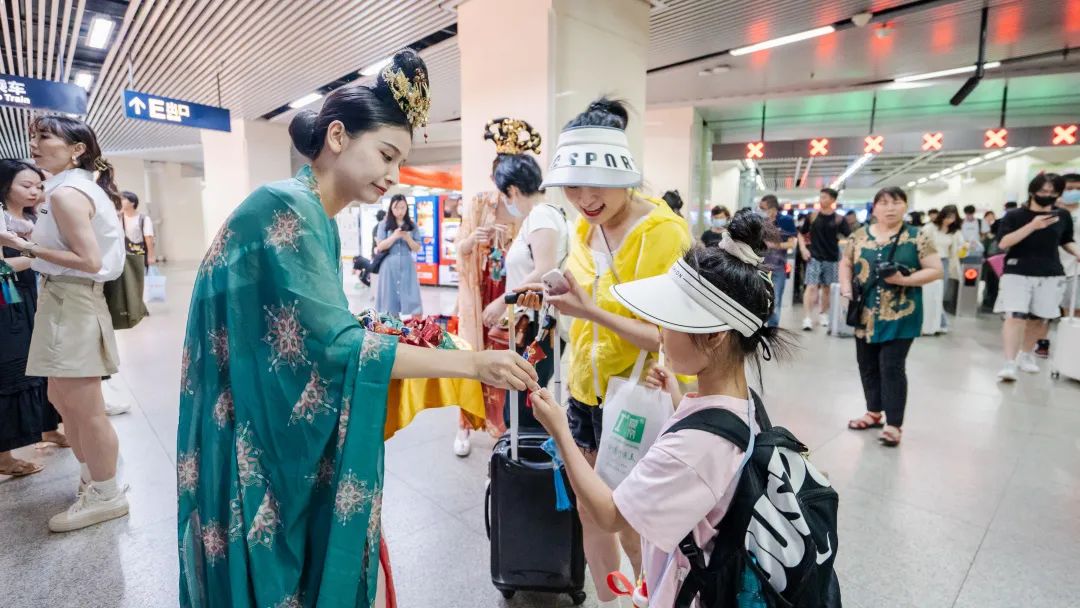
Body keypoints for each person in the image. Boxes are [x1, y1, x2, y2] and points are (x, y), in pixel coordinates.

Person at [175, 50, 539, 608]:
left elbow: (307, 331)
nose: (394, 176)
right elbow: (335, 347)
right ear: (338, 136)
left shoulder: (312, 213)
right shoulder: (286, 208)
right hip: (247, 424)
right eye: (387, 155)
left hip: (253, 409)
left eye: (400, 161)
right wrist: (470, 362)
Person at [529, 210, 791, 608]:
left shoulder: (693, 450)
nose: (660, 333)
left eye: (670, 322)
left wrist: (559, 430)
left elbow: (609, 514)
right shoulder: (742, 404)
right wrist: (674, 394)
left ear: (715, 337)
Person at [519, 97, 690, 606]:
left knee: (633, 523)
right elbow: (582, 300)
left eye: (597, 185)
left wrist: (589, 311)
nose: (585, 199)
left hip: (637, 398)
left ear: (624, 173)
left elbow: (668, 339)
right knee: (590, 511)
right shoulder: (582, 227)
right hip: (584, 394)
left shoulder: (664, 234)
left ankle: (649, 600)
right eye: (573, 186)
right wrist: (556, 295)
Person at [0, 116, 127, 531]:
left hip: (73, 301)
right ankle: (93, 478)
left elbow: (88, 261)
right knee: (62, 397)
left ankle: (107, 492)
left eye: (45, 136)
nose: (34, 144)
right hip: (61, 298)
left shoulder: (68, 194)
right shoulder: (64, 189)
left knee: (85, 407)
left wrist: (23, 245)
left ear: (77, 149)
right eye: (33, 136)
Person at [472, 117, 568, 447]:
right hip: (537, 326)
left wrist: (503, 301)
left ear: (512, 190)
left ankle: (523, 464)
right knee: (523, 400)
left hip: (539, 328)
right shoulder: (545, 215)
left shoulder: (541, 215)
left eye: (505, 195)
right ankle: (520, 459)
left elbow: (544, 268)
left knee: (523, 405)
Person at [841, 187, 942, 447]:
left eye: (896, 202)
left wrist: (904, 280)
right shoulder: (859, 235)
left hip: (901, 314)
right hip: (864, 314)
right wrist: (846, 289)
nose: (890, 208)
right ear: (874, 208)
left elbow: (935, 270)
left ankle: (894, 425)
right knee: (867, 365)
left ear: (905, 206)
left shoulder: (917, 237)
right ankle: (873, 412)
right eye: (884, 203)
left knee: (892, 366)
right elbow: (846, 263)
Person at [452, 131, 526, 456]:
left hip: (509, 296)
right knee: (472, 357)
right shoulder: (481, 202)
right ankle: (465, 424)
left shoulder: (525, 208)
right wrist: (474, 240)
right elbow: (460, 247)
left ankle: (501, 430)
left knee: (504, 361)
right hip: (480, 291)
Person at [0, 160, 68, 477]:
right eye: (26, 185)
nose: (34, 191)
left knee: (39, 365)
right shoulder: (2, 218)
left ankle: (47, 429)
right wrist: (39, 254)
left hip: (29, 298)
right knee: (12, 372)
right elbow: (2, 268)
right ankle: (4, 456)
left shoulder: (30, 219)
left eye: (38, 186)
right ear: (5, 186)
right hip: (7, 300)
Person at [994, 174, 1080, 381]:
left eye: (1052, 192)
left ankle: (1026, 354)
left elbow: (1066, 240)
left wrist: (1077, 252)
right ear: (1032, 191)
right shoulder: (1014, 215)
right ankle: (1009, 362)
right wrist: (1033, 225)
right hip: (1017, 271)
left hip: (1050, 272)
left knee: (1039, 319)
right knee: (1015, 316)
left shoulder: (1062, 216)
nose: (1047, 195)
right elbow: (1004, 243)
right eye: (1043, 191)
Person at [799, 188, 852, 331]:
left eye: (824, 197)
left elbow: (850, 237)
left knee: (827, 288)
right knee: (811, 286)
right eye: (820, 197)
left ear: (833, 200)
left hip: (832, 258)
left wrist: (847, 254)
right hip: (814, 257)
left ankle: (823, 313)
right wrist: (803, 249)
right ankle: (807, 317)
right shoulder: (812, 216)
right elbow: (801, 234)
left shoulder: (839, 219)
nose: (821, 200)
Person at [374, 194, 423, 317]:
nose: (400, 211)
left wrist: (407, 237)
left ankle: (414, 327)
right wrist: (394, 236)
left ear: (407, 208)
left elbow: (417, 248)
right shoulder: (384, 224)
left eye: (403, 207)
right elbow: (380, 246)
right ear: (391, 208)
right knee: (389, 303)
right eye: (396, 208)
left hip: (407, 266)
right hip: (388, 266)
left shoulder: (412, 225)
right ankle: (392, 326)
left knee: (414, 300)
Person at [920, 204, 962, 335]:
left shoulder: (954, 231)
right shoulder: (930, 228)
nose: (949, 220)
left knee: (940, 294)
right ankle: (934, 323)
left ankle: (939, 323)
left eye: (953, 218)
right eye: (947, 217)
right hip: (929, 262)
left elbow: (957, 248)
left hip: (944, 262)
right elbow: (921, 244)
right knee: (929, 293)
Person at [758, 194, 797, 327]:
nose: (761, 210)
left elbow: (792, 243)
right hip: (759, 266)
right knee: (758, 299)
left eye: (763, 208)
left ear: (773, 208)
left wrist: (775, 245)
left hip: (778, 267)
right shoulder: (760, 221)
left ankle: (772, 329)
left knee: (775, 299)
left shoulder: (786, 221)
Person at [119, 191, 155, 267]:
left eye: (123, 199)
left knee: (141, 273)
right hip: (125, 254)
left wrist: (151, 256)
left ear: (132, 203)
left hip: (140, 253)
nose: (120, 201)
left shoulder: (144, 219)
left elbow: (148, 238)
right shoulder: (119, 218)